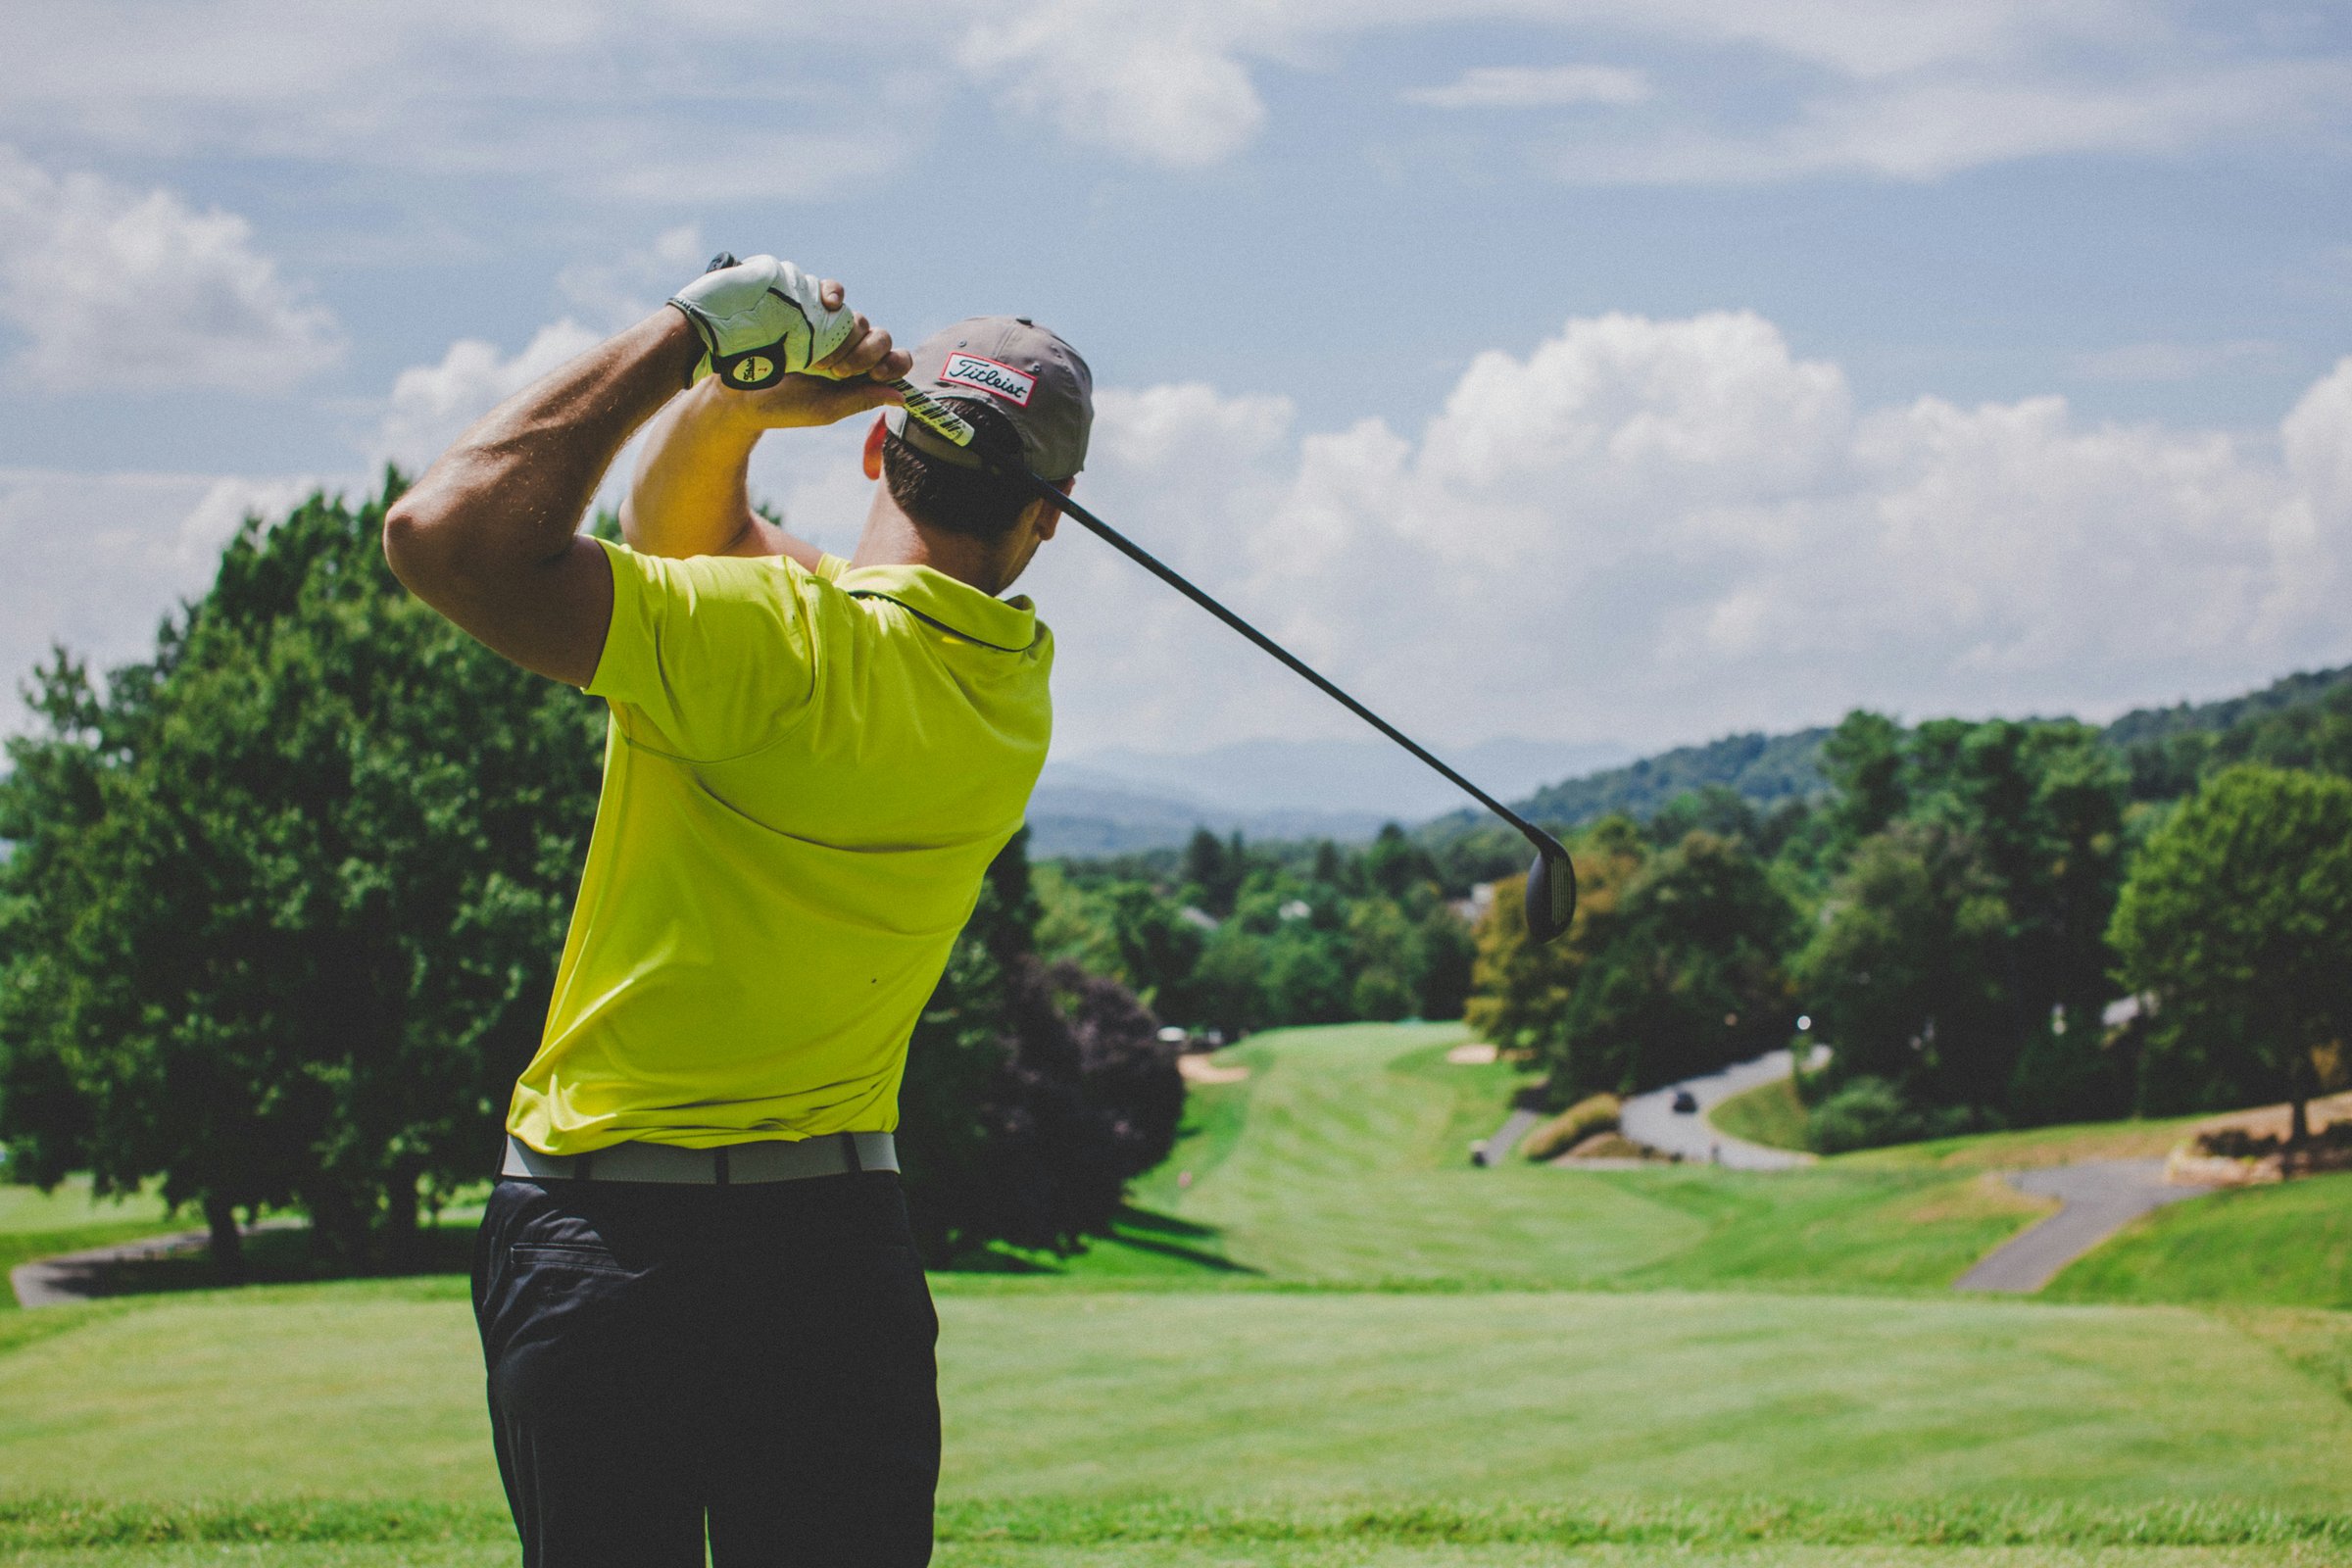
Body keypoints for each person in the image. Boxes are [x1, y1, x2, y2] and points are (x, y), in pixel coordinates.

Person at [382, 253, 1093, 1568]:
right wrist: (733, 410)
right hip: (837, 1258)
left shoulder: (763, 640)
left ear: (880, 443)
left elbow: (443, 534)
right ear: (1046, 519)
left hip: (601, 1242)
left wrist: (704, 341)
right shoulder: (1007, 701)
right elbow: (701, 546)